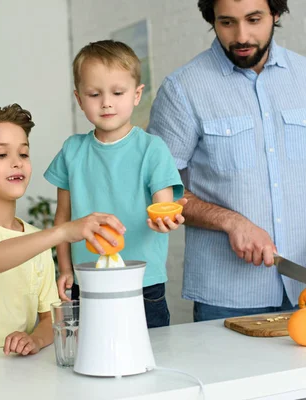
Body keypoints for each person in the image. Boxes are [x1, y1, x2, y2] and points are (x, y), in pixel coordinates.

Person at [148, 0, 306, 322]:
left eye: (254, 19)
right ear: (212, 19)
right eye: (227, 23)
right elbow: (161, 190)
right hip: (226, 298)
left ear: (276, 14)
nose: (241, 36)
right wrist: (231, 222)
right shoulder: (182, 89)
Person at [0, 103, 124, 355]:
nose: (17, 163)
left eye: (23, 154)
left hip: (12, 368)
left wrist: (34, 339)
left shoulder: (36, 239)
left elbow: (48, 319)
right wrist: (62, 232)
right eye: (2, 155)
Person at [45, 40, 186, 328]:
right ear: (79, 98)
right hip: (87, 280)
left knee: (149, 359)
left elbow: (163, 205)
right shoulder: (72, 151)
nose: (106, 102)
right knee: (91, 357)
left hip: (142, 283)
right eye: (94, 94)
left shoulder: (152, 149)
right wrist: (65, 268)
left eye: (117, 93)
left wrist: (166, 218)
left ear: (136, 95)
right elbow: (62, 218)